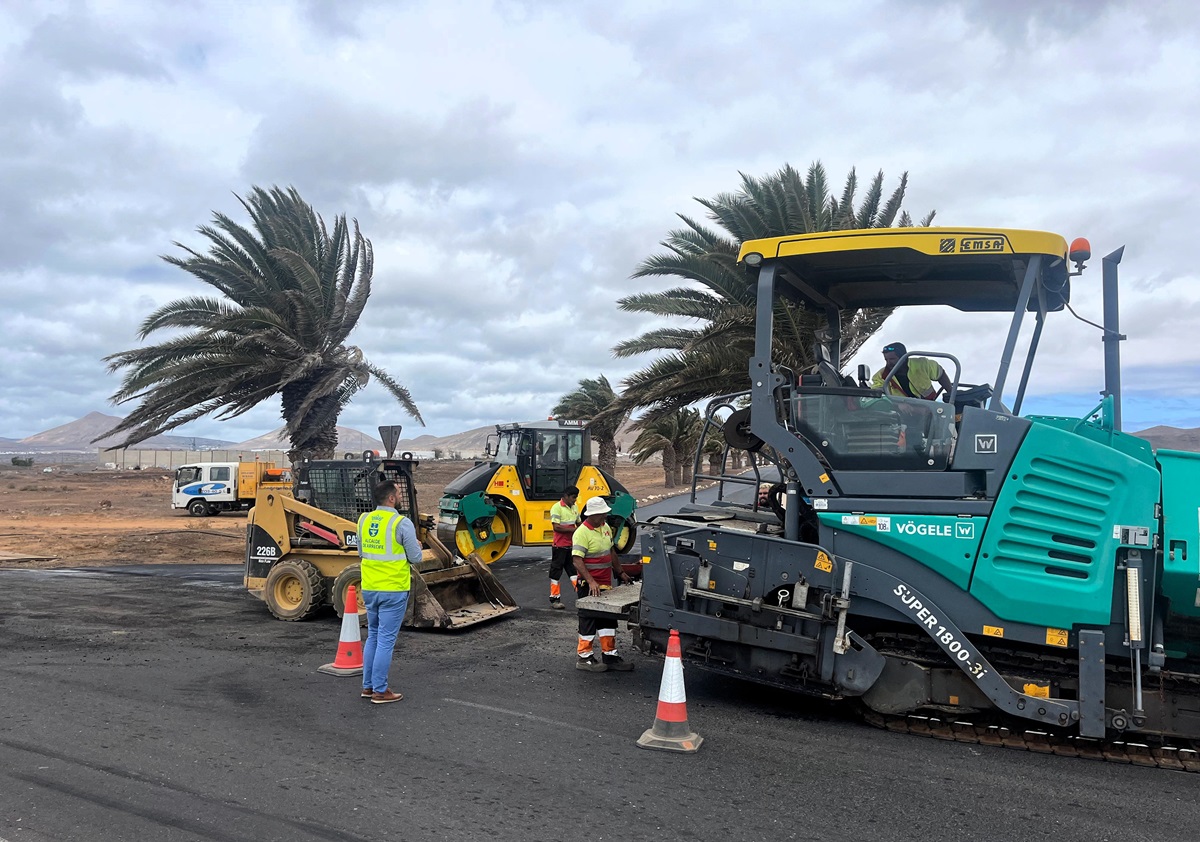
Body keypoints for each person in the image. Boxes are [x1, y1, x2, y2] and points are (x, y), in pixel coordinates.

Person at [357, 479, 422, 704]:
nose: (402, 497)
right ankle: (380, 690)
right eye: (399, 494)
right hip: (393, 589)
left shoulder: (363, 520)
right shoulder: (401, 523)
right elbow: (415, 558)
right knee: (385, 639)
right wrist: (416, 547)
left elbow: (361, 551)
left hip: (370, 587)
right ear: (391, 498)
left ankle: (368, 687)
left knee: (373, 636)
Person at [571, 496, 634, 672]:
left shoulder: (605, 527)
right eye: (602, 514)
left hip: (605, 583)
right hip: (588, 585)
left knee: (608, 620)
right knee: (588, 619)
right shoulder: (581, 533)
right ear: (592, 515)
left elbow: (611, 551)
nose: (605, 517)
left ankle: (610, 656)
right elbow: (577, 561)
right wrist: (591, 581)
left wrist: (620, 572)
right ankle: (584, 658)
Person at [870, 341, 952, 400]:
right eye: (886, 359)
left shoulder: (923, 364)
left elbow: (940, 374)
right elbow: (879, 395)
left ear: (904, 357)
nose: (889, 363)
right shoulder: (881, 375)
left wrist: (951, 394)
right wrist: (899, 404)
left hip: (929, 406)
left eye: (892, 359)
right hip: (901, 413)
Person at [547, 485, 580, 609]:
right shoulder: (556, 508)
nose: (575, 500)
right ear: (566, 496)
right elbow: (556, 527)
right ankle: (554, 599)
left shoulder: (575, 507)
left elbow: (579, 523)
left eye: (576, 497)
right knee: (556, 572)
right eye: (573, 497)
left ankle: (582, 595)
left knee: (574, 571)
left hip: (571, 545)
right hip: (559, 546)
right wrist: (575, 530)